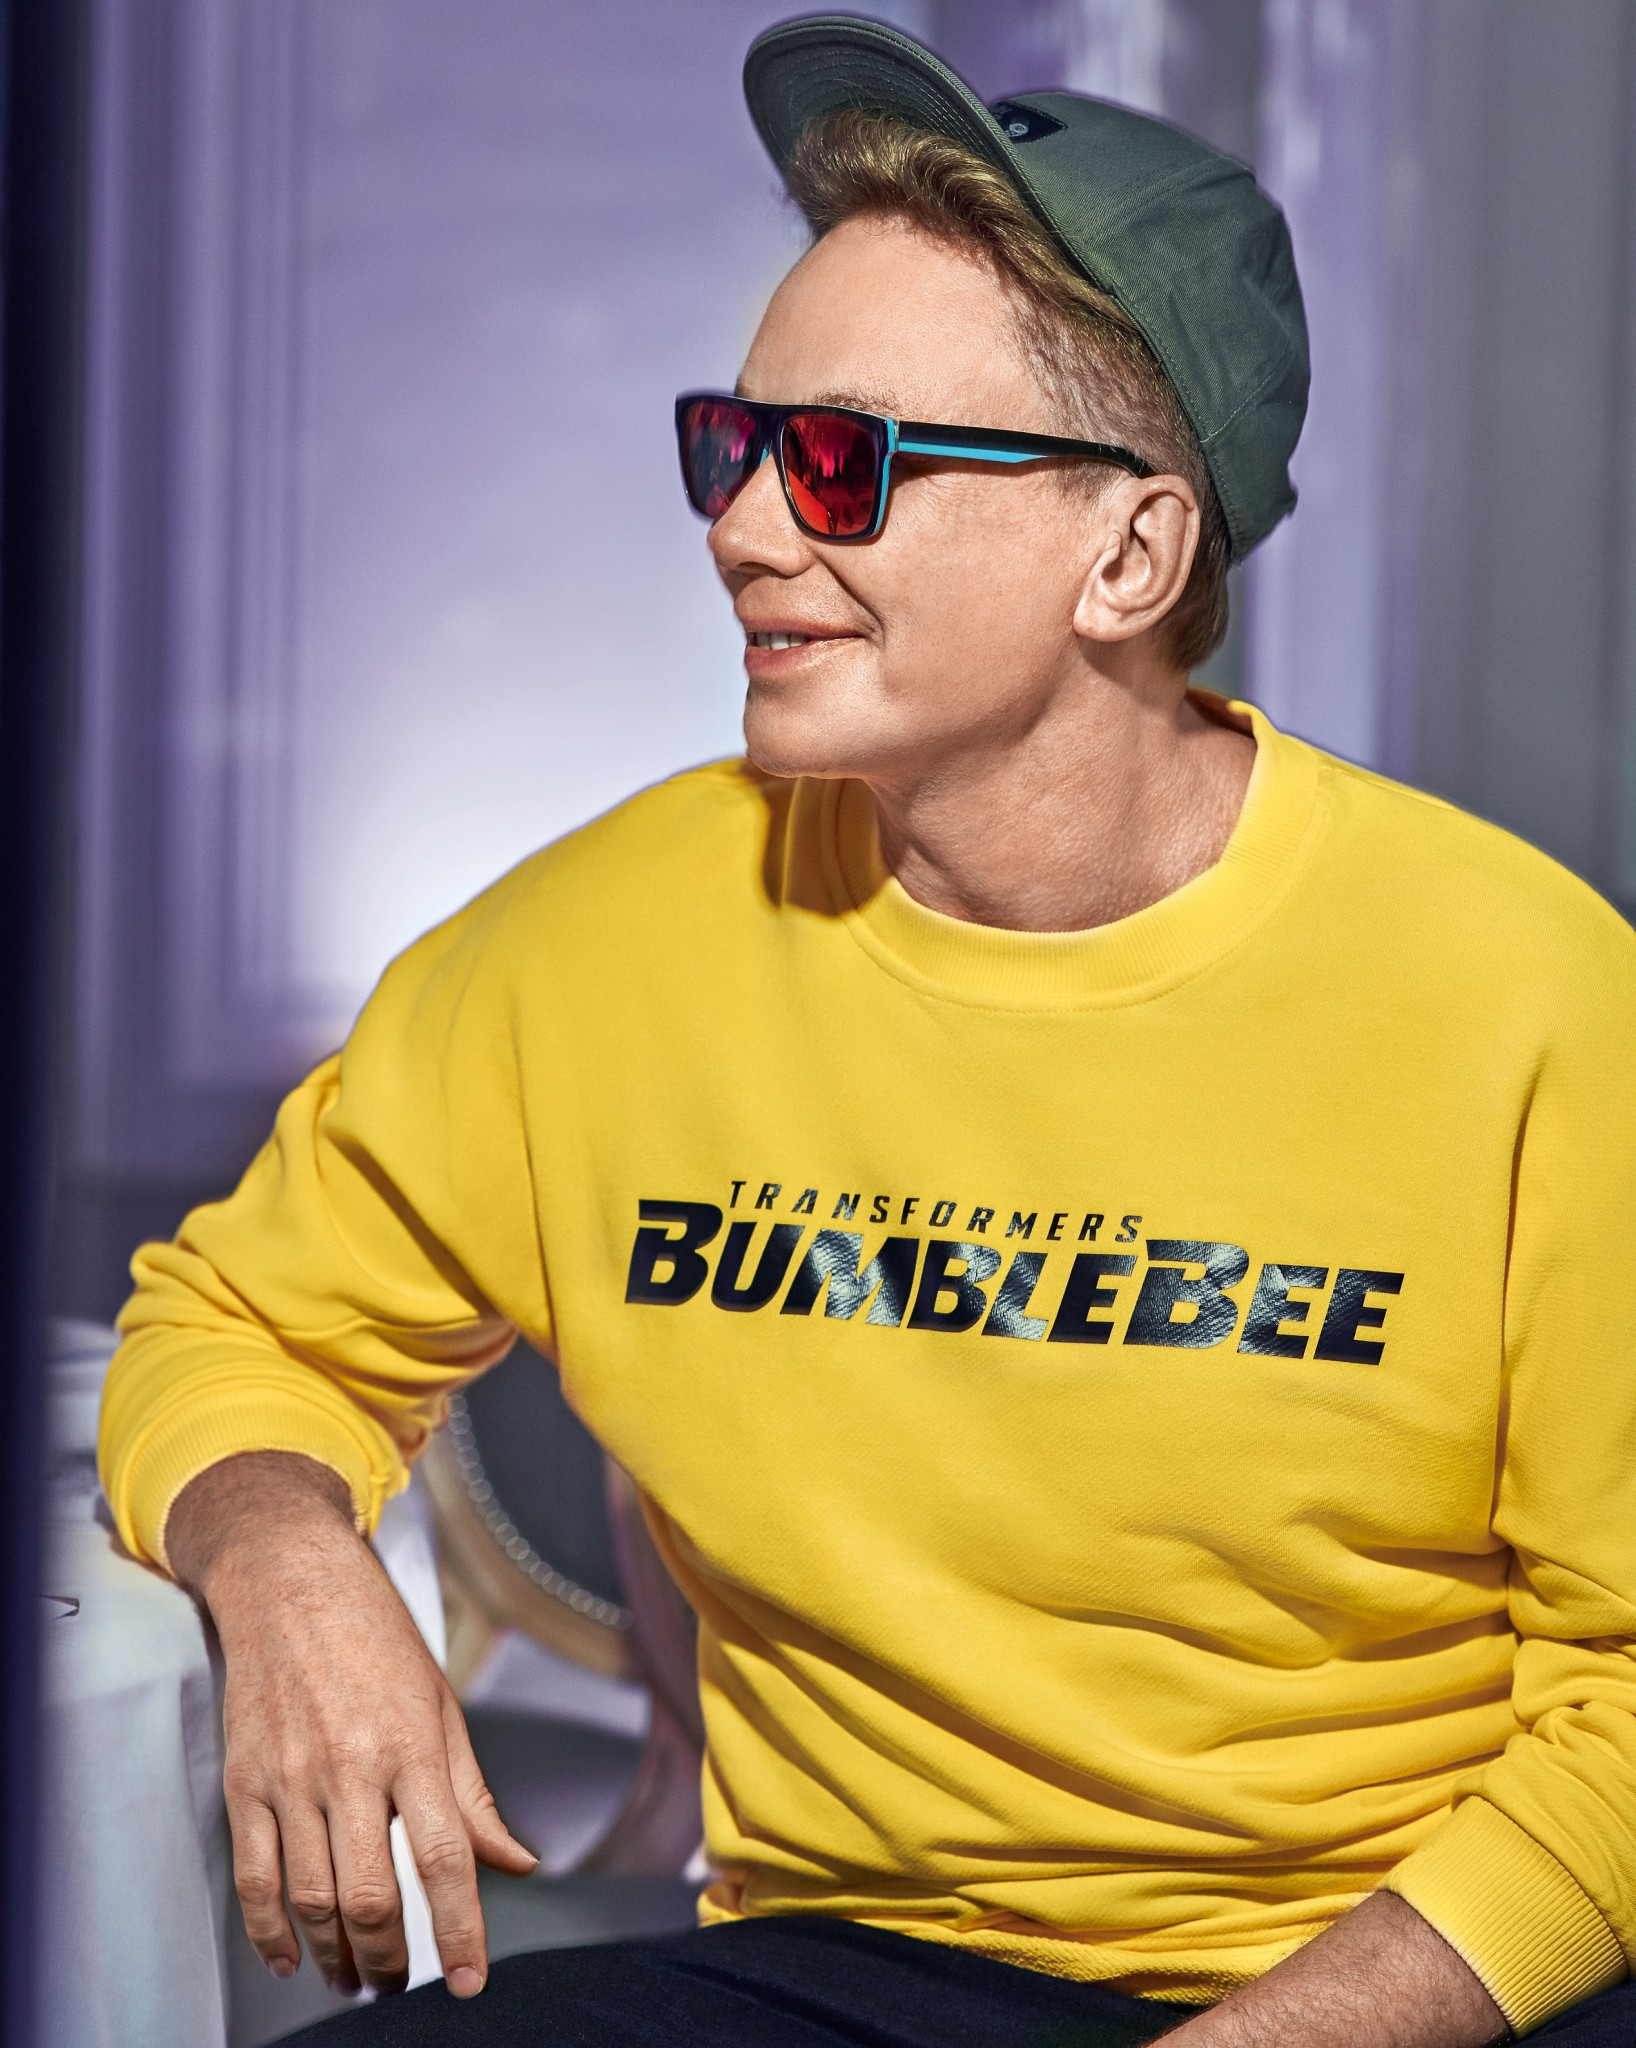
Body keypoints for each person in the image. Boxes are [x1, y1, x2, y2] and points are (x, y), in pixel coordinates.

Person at [97, 17, 1636, 2047]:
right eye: (729, 446)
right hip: (844, 1971)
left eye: (841, 464)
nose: (743, 527)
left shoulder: (1526, 998)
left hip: (1394, 1979)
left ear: (1128, 553)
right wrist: (285, 1554)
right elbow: (234, 1321)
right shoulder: (606, 942)